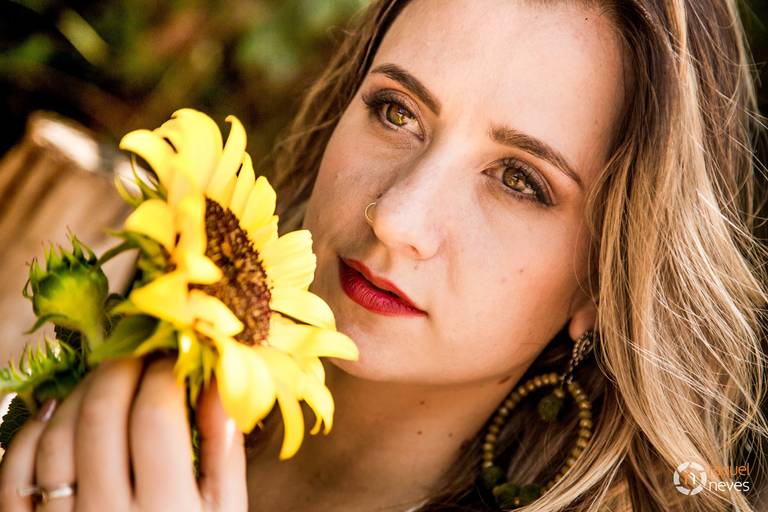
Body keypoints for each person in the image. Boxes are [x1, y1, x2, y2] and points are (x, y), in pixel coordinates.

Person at [1, 0, 767, 510]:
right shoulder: (92, 322)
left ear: (605, 281)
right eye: (396, 111)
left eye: (519, 180)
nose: (397, 217)